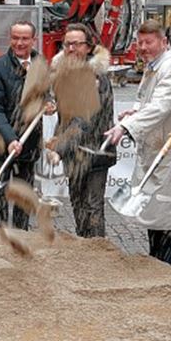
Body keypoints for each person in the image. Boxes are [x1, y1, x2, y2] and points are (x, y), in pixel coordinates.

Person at [104, 19, 171, 267]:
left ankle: (169, 276)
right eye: (140, 42)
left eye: (149, 42)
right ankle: (158, 269)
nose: (143, 47)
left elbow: (160, 107)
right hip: (157, 153)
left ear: (163, 42)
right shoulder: (152, 67)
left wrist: (126, 126)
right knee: (156, 220)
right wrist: (133, 113)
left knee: (170, 222)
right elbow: (144, 100)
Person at [49, 23, 116, 238]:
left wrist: (59, 148)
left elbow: (84, 119)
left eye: (76, 44)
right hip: (74, 153)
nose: (71, 49)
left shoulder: (95, 76)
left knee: (93, 207)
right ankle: (83, 251)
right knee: (77, 205)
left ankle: (98, 255)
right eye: (67, 44)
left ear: (88, 47)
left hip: (96, 151)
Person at [0, 21, 46, 230]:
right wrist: (10, 139)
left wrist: (50, 104)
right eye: (15, 38)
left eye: (24, 38)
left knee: (23, 196)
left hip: (29, 143)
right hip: (2, 143)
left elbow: (46, 94)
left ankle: (21, 237)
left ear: (33, 40)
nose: (19, 43)